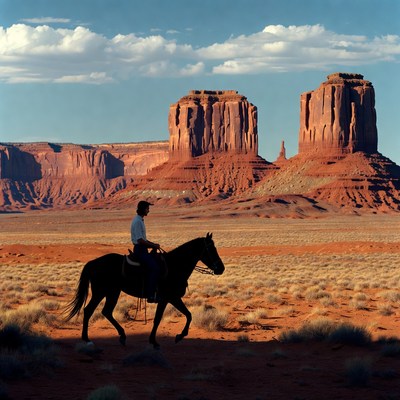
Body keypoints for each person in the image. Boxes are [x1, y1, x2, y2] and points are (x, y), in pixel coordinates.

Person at [130, 200, 161, 303]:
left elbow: (144, 239)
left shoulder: (140, 220)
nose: (149, 210)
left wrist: (154, 245)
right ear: (143, 209)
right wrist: (153, 245)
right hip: (140, 250)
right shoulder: (138, 221)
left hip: (142, 249)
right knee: (155, 268)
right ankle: (151, 295)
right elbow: (140, 240)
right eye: (147, 208)